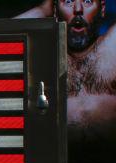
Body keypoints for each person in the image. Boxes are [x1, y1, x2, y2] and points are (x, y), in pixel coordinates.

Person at [18, 0, 116, 140]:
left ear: (102, 8)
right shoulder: (42, 55)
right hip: (54, 160)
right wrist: (43, 10)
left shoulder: (113, 47)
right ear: (56, 10)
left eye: (88, 1)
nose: (77, 9)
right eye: (68, 1)